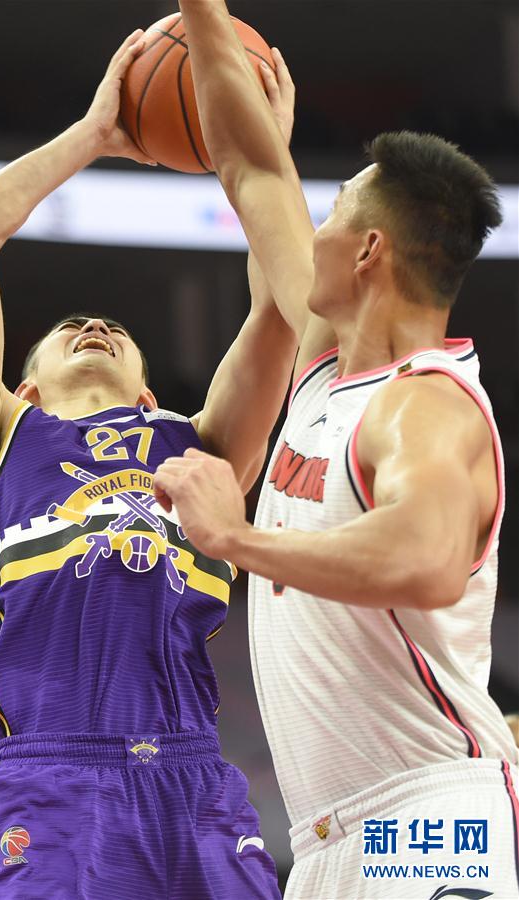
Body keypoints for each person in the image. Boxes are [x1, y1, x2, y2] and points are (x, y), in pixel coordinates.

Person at [0, 29, 298, 899]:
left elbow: (282, 309)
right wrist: (97, 133)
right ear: (24, 387)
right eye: (69, 330)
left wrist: (259, 159)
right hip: (52, 778)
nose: (93, 328)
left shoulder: (200, 443)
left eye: (112, 331)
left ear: (146, 392)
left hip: (192, 777)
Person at [153, 3, 519, 898]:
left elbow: (425, 562)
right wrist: (204, 17)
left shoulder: (425, 406)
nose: (307, 230)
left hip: (428, 815)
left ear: (366, 252)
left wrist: (233, 538)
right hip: (328, 836)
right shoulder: (325, 367)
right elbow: (248, 171)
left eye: (329, 214)